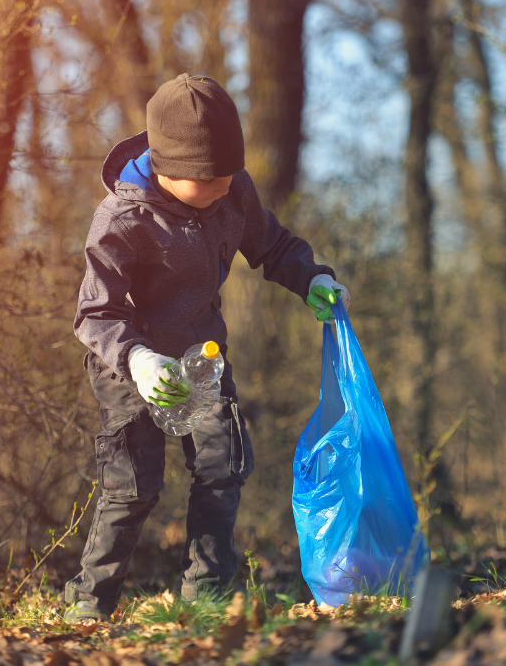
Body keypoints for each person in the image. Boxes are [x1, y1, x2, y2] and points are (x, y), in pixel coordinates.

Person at [65, 73, 350, 621]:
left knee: (223, 467)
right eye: (211, 179)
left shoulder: (232, 190)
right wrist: (139, 359)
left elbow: (273, 245)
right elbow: (95, 313)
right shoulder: (121, 218)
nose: (225, 187)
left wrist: (312, 277)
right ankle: (90, 602)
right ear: (169, 170)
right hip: (130, 366)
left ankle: (208, 595)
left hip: (202, 358)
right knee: (133, 487)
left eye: (230, 174)